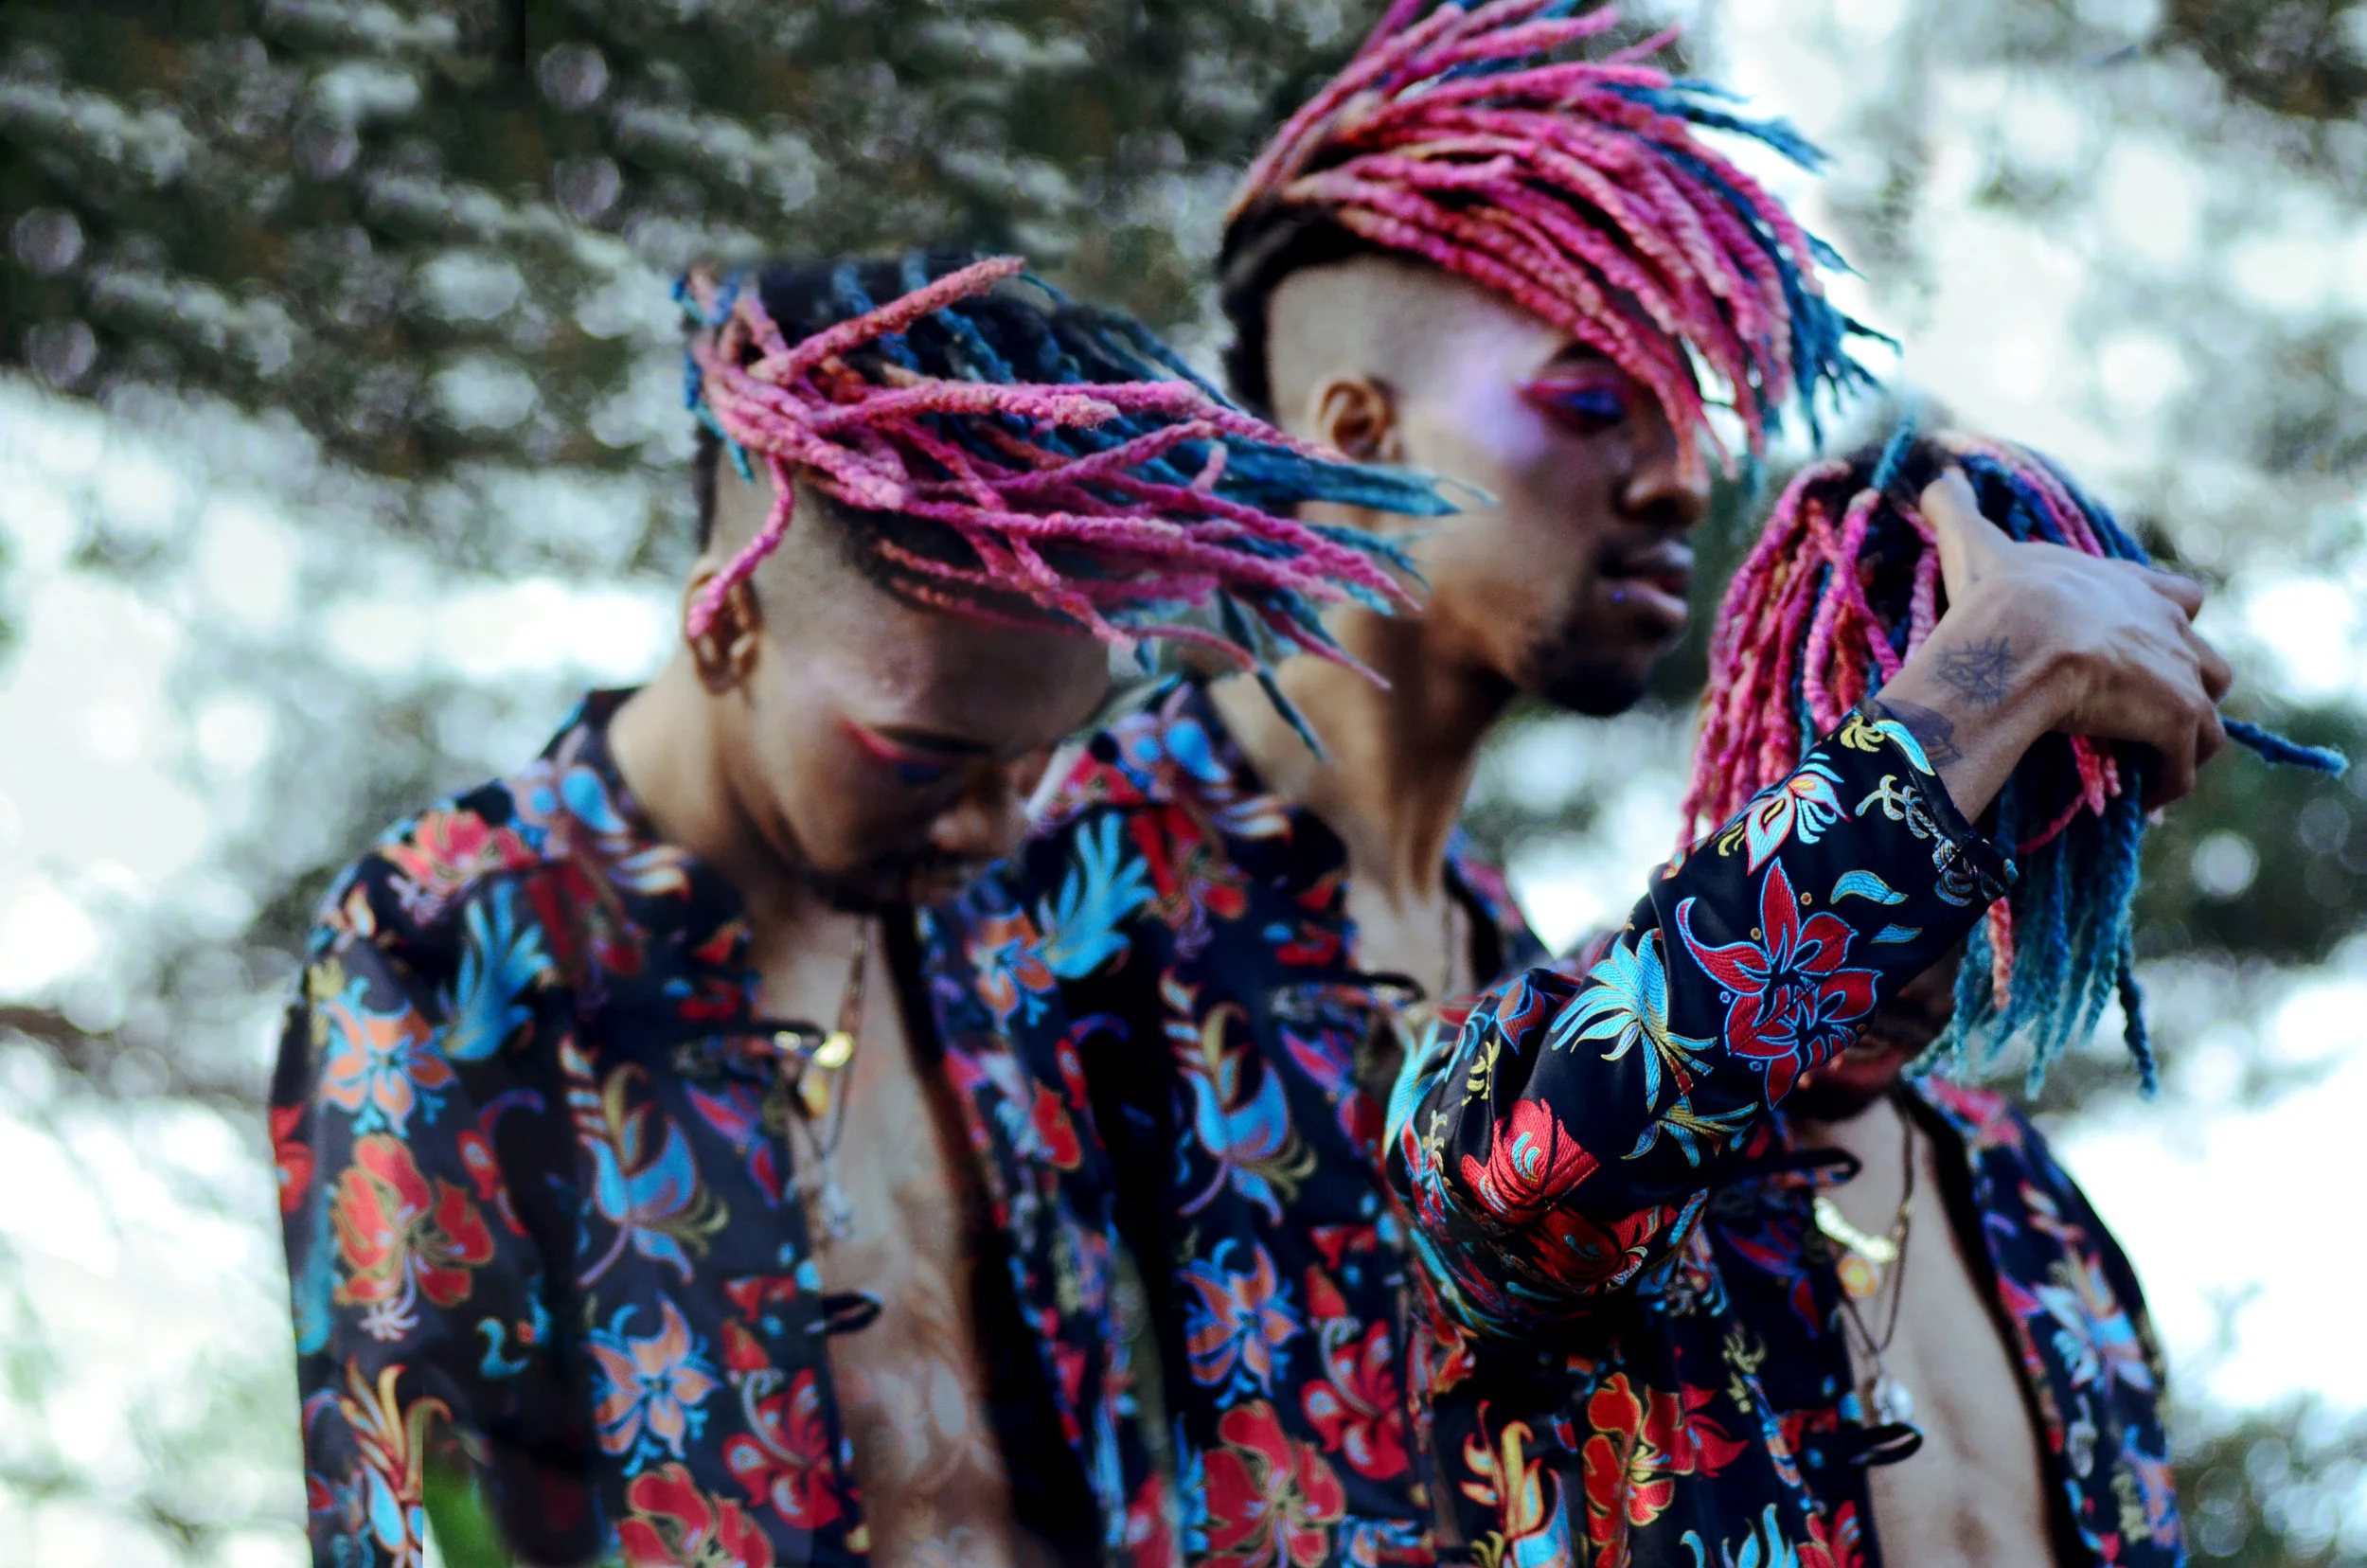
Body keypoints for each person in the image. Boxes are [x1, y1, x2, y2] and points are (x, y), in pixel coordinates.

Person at [268, 252, 1450, 1568]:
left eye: (1037, 756)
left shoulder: (1024, 913)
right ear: (724, 627)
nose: (998, 823)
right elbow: (419, 1520)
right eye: (927, 756)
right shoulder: (451, 940)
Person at [944, 3, 1878, 1561]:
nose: (1678, 477)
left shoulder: (1521, 971)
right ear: (1358, 435)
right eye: (1594, 401)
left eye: (1689, 414)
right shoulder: (1055, 884)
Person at [1390, 432, 2285, 1567]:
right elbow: (1544, 1183)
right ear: (1773, 759)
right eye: (1939, 796)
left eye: (2008, 845)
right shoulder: (1506, 1072)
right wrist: (1997, 668)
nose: (1921, 957)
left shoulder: (2037, 1209)